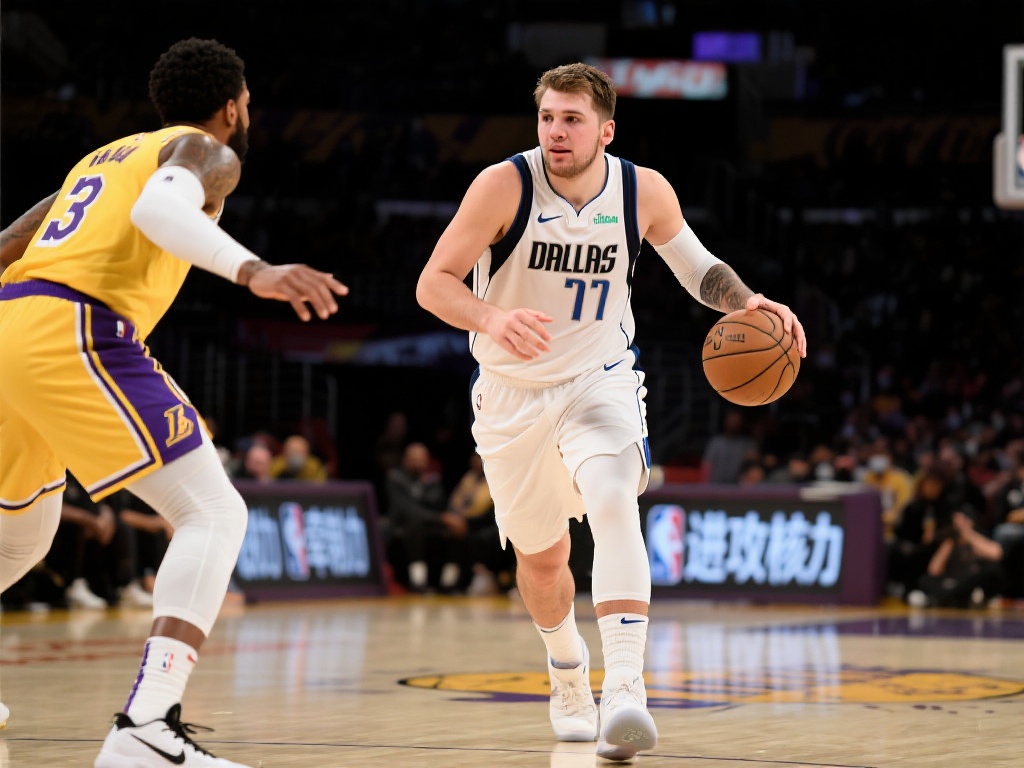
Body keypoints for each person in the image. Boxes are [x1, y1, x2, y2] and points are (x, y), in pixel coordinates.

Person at [415, 61, 806, 761]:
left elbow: (697, 268)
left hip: (600, 379)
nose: (556, 132)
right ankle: (568, 673)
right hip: (510, 392)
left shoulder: (641, 189)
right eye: (547, 118)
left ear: (605, 130)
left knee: (613, 496)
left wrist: (747, 301)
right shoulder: (503, 186)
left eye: (571, 119)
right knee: (543, 564)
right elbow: (433, 284)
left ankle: (626, 687)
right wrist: (491, 318)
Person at [0, 38, 347, 767]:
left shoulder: (102, 160)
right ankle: (146, 726)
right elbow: (161, 211)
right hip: (73, 324)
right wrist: (254, 271)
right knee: (215, 512)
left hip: (11, 325)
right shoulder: (206, 151)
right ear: (232, 108)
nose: (246, 114)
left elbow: (8, 243)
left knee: (24, 531)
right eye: (247, 102)